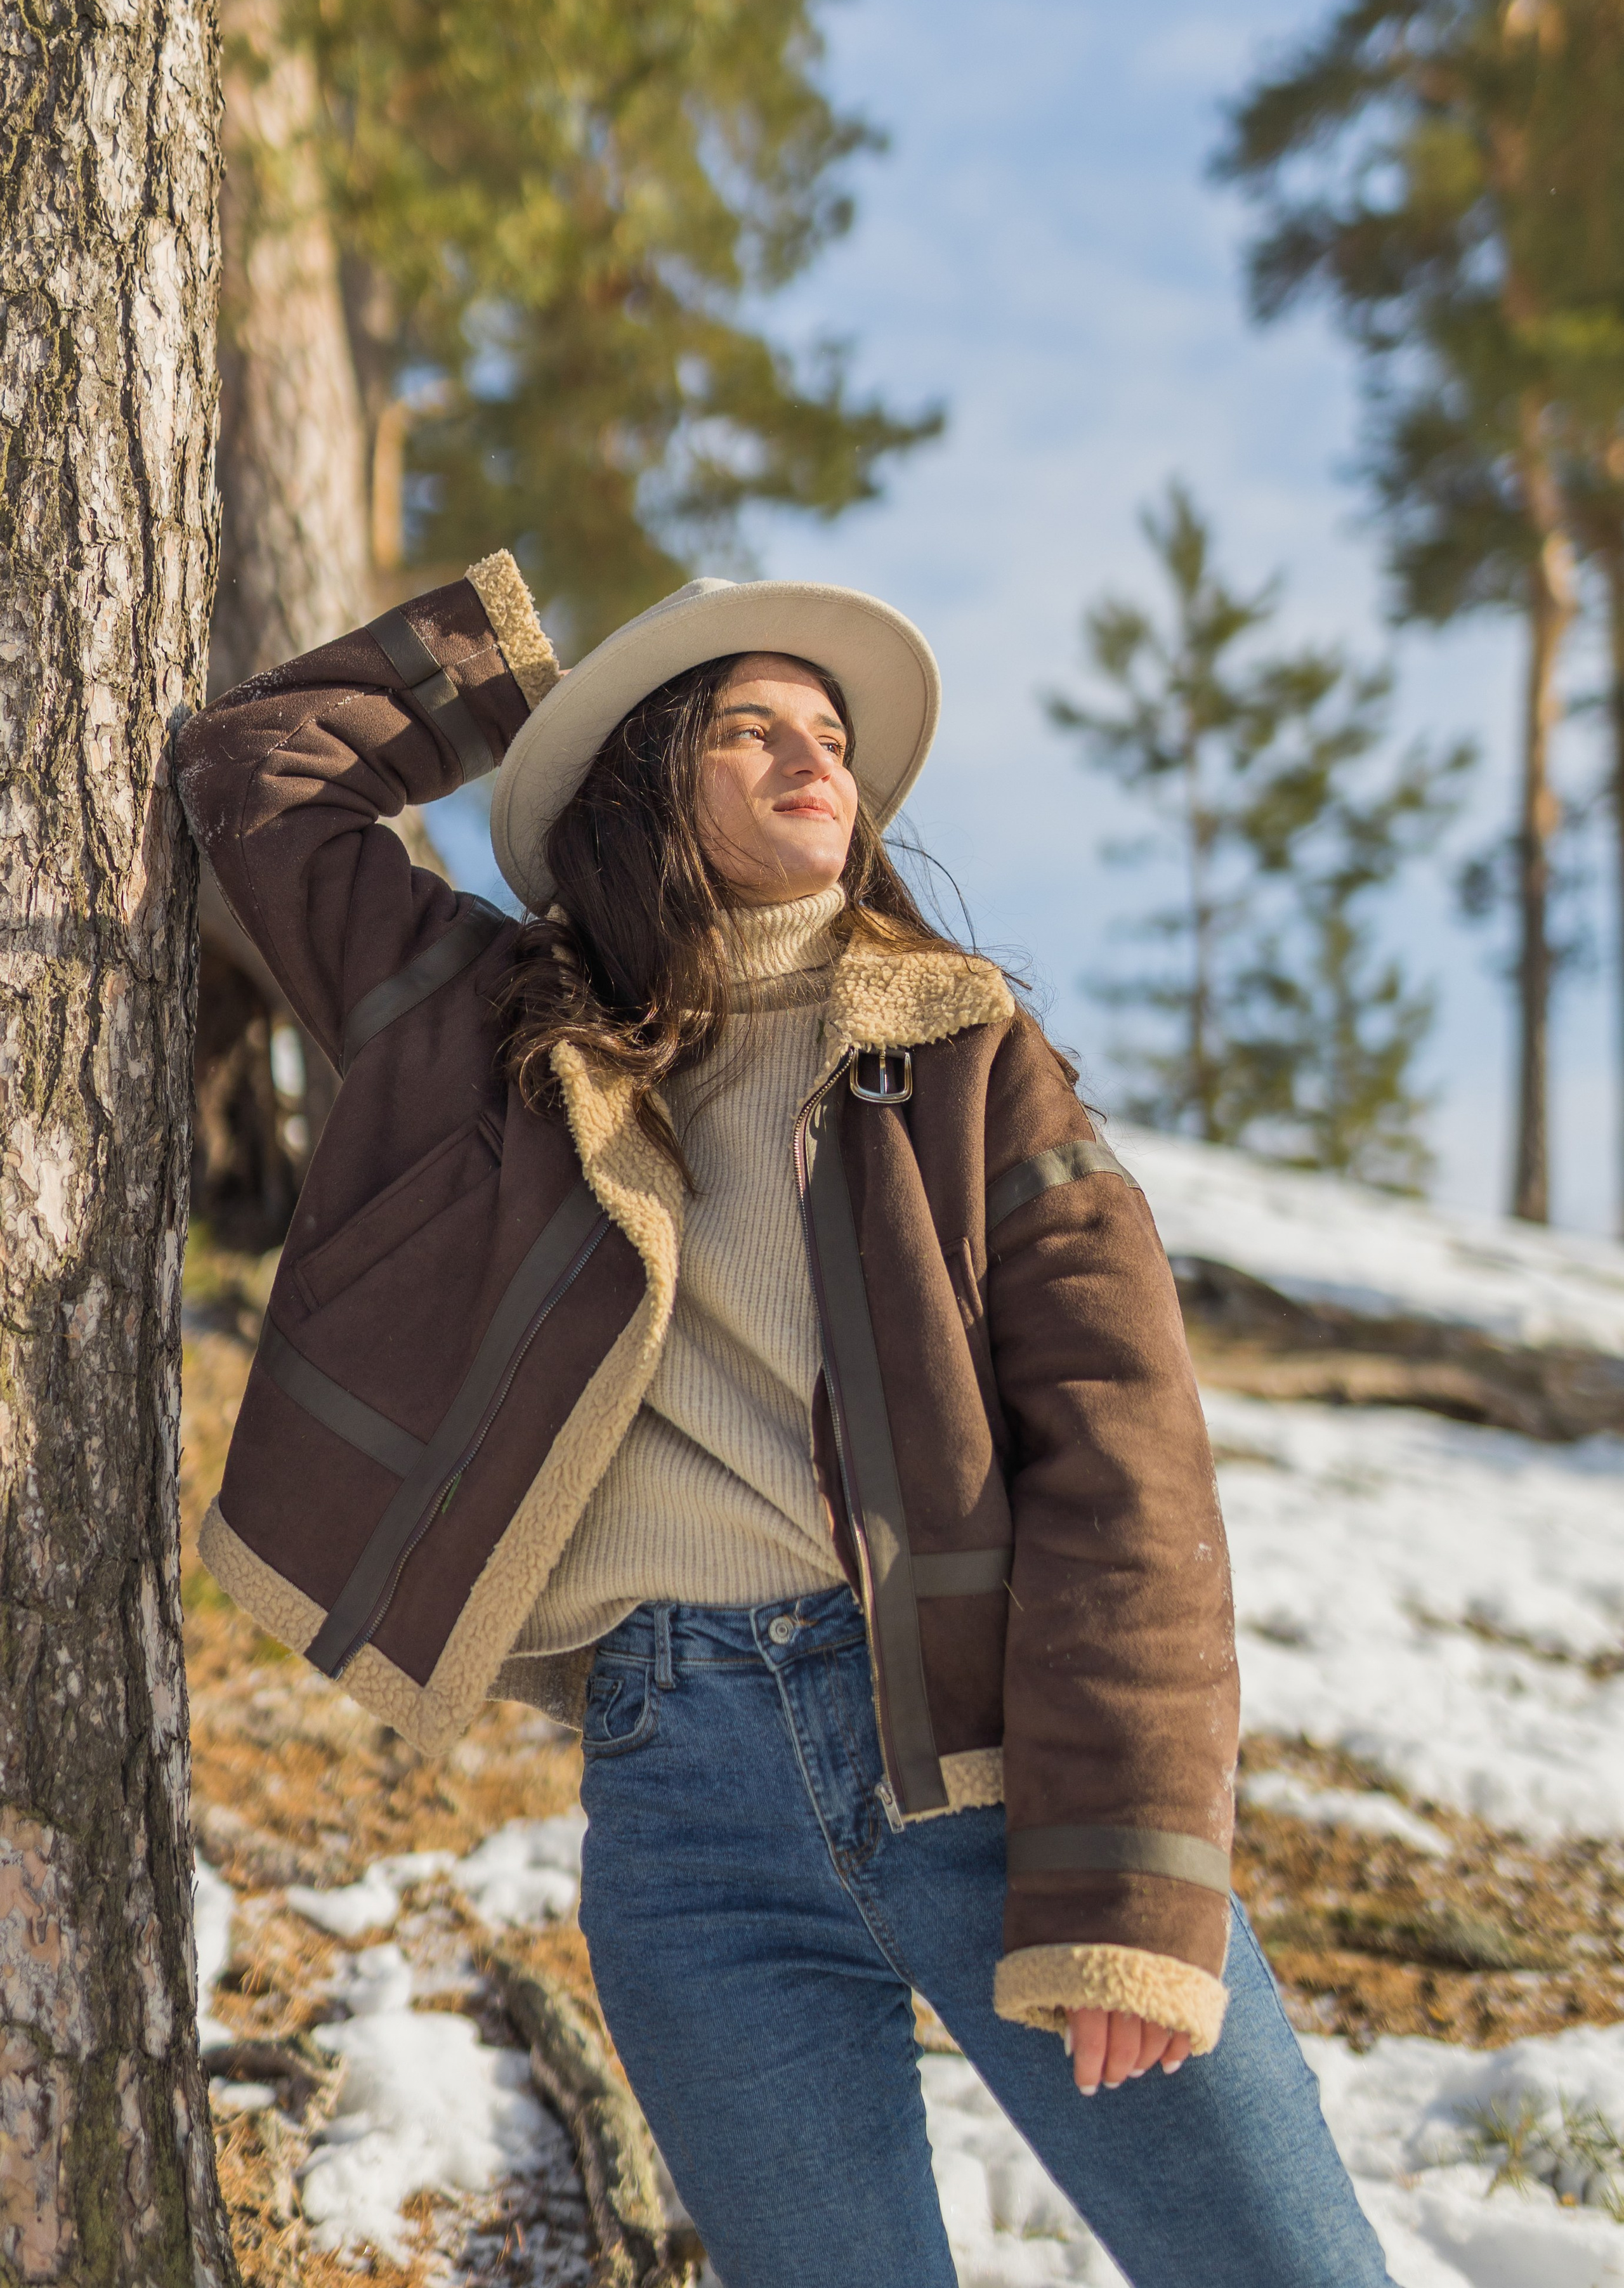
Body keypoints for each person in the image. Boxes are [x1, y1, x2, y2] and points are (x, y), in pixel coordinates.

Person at [176, 556, 1394, 2287]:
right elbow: (256, 774)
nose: (816, 757)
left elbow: (1129, 1469)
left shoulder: (969, 1056)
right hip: (679, 1808)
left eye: (830, 734)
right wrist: (515, 681)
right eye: (747, 729)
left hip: (979, 1775)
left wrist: (1135, 1881)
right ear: (643, 783)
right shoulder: (496, 1035)